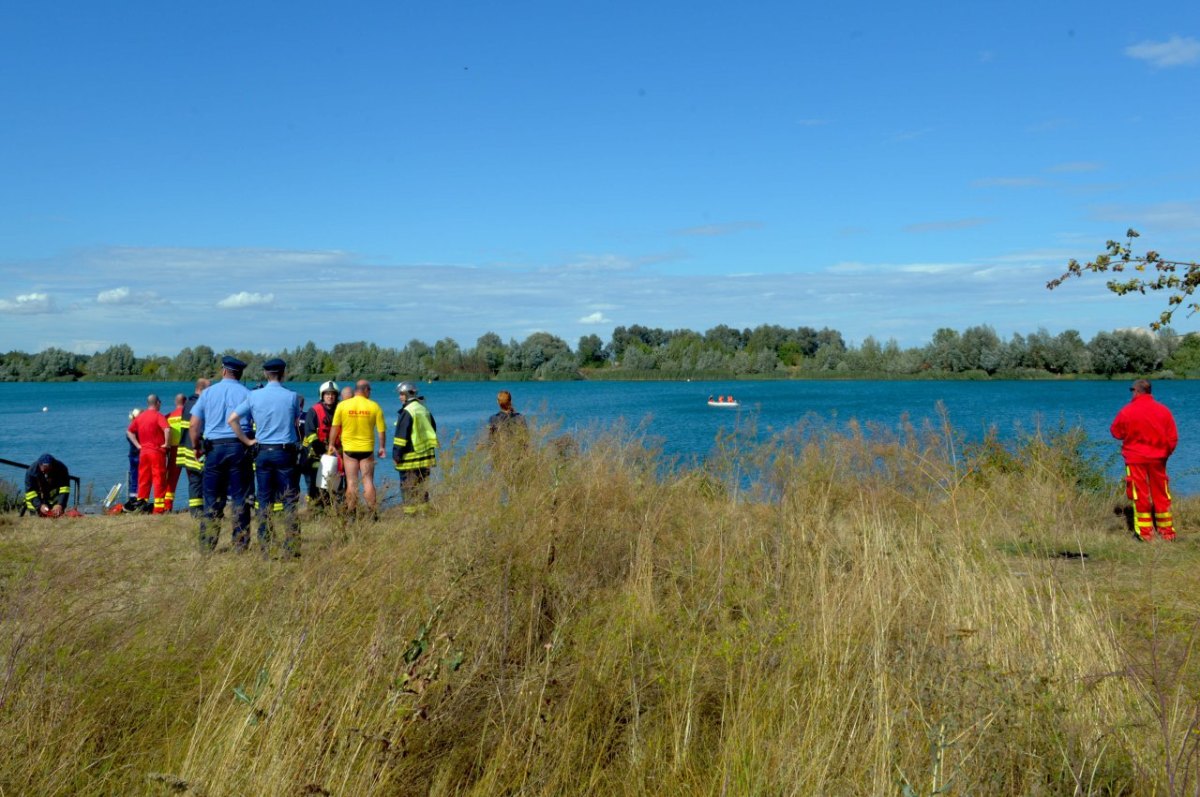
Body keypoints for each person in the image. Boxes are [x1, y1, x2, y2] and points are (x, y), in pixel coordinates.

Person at [228, 358, 302, 557]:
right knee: (289, 500)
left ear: (265, 374)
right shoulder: (292, 396)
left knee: (264, 500)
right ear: (284, 373)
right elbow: (297, 421)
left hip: (262, 452)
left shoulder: (254, 396)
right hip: (285, 452)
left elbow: (232, 419)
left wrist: (246, 440)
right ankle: (291, 547)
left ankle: (265, 546)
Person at [190, 356, 253, 551]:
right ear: (240, 373)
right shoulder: (247, 393)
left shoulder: (207, 393)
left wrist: (196, 446)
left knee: (212, 498)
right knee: (240, 497)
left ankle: (207, 544)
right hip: (239, 448)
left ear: (223, 371)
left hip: (214, 449)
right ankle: (240, 544)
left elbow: (194, 424)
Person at [1112, 379, 1179, 541]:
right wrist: (1165, 453)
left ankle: (1145, 533)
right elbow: (1173, 437)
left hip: (1135, 458)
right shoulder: (1164, 411)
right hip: (1158, 458)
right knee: (1161, 492)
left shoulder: (1127, 411)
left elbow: (1116, 432)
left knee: (1139, 493)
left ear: (1136, 391)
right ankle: (1167, 532)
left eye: (1132, 391)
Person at [329, 379, 386, 514]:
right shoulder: (374, 406)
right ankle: (373, 513)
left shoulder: (343, 406)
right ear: (366, 390)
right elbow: (381, 430)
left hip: (349, 450)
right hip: (366, 449)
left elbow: (335, 428)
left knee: (351, 482)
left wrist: (331, 444)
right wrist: (382, 447)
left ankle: (351, 513)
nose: (370, 393)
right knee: (368, 482)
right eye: (369, 390)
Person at [393, 381, 438, 511]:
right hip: (426, 456)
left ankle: (411, 516)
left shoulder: (407, 411)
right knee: (422, 487)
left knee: (408, 489)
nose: (399, 397)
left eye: (401, 394)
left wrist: (396, 455)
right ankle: (425, 513)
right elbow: (432, 428)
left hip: (410, 458)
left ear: (407, 395)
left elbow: (401, 436)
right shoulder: (423, 409)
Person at [126, 394, 171, 514]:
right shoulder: (158, 416)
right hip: (156, 452)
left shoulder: (140, 417)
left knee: (143, 479)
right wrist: (166, 443)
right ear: (157, 403)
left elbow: (129, 431)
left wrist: (138, 445)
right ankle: (158, 509)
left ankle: (142, 506)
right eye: (160, 402)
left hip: (144, 452)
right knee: (159, 478)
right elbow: (167, 429)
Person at [302, 381, 341, 507]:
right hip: (316, 455)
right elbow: (310, 432)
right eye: (327, 394)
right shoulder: (314, 411)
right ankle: (316, 511)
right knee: (315, 486)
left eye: (332, 394)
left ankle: (333, 509)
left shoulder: (340, 410)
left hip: (336, 454)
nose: (330, 397)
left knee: (336, 486)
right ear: (322, 395)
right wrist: (321, 448)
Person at [176, 378, 211, 516]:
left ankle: (195, 512)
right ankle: (208, 510)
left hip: (186, 449)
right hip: (197, 447)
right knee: (206, 479)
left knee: (194, 481)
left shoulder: (188, 403)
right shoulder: (200, 404)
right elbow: (198, 428)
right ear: (203, 389)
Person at [163, 393, 187, 511]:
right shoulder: (189, 414)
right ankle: (199, 506)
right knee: (194, 478)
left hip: (173, 451)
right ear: (186, 401)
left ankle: (167, 506)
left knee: (171, 480)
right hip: (188, 448)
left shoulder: (168, 416)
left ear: (175, 402)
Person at [126, 407, 141, 508]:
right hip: (139, 455)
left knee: (133, 477)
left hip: (132, 455)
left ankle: (132, 498)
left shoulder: (130, 428)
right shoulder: (139, 428)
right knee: (141, 477)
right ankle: (140, 498)